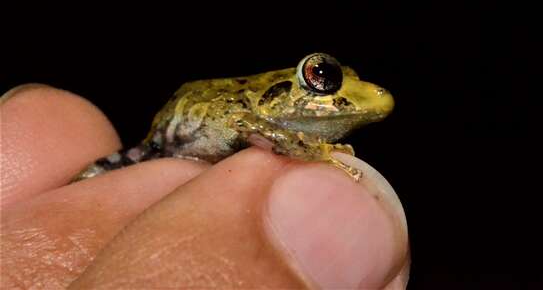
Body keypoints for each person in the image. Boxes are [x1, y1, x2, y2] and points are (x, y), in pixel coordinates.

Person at [1, 84, 410, 289]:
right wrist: (316, 154)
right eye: (322, 78)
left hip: (187, 175)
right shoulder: (254, 116)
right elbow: (249, 125)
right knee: (98, 180)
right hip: (158, 151)